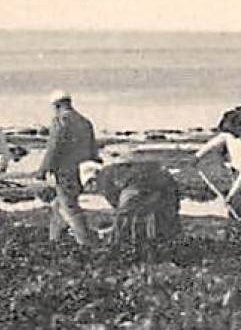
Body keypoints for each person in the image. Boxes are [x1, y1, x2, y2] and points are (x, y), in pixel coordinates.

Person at [35, 90, 99, 246]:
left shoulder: (60, 121)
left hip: (65, 171)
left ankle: (85, 242)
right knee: (59, 204)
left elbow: (53, 147)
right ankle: (53, 239)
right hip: (83, 171)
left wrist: (43, 170)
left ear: (57, 105)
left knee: (69, 206)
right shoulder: (85, 121)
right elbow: (93, 148)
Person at [194, 106, 241, 219]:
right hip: (237, 171)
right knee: (236, 205)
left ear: (240, 126)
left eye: (232, 131)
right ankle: (238, 221)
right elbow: (214, 142)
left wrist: (230, 196)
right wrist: (197, 156)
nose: (230, 134)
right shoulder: (230, 133)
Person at [89, 159, 181, 248]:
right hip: (165, 179)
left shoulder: (103, 179)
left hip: (142, 185)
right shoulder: (115, 170)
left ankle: (131, 246)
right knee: (164, 215)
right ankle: (166, 239)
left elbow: (119, 205)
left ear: (92, 180)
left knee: (127, 220)